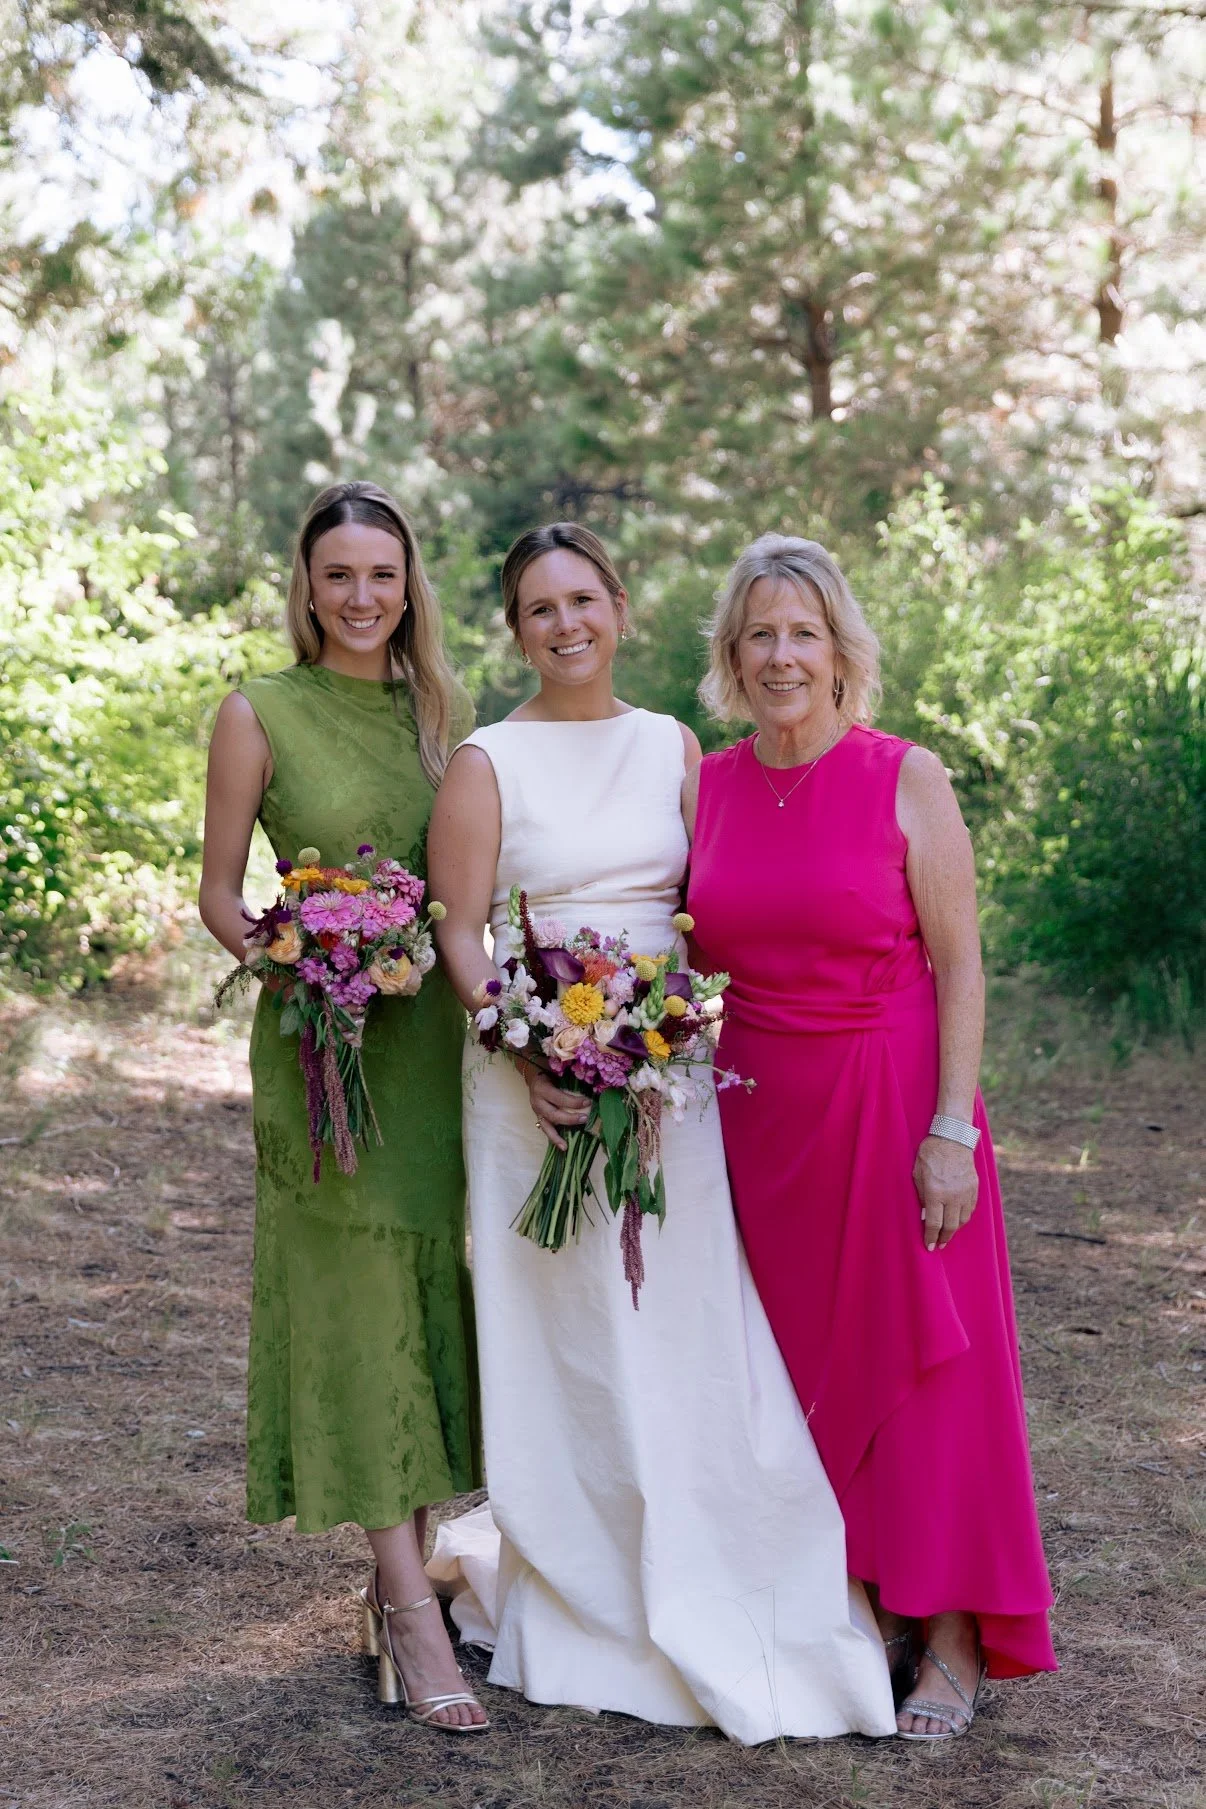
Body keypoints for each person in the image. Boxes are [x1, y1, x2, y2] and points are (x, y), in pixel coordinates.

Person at [424, 522, 896, 1745]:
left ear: (621, 608)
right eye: (538, 608)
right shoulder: (486, 762)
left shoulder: (675, 746)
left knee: (684, 1321)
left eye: (583, 598)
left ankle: (722, 1550)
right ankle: (585, 1577)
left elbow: (712, 902)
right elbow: (462, 935)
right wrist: (529, 1048)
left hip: (669, 1076)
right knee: (573, 1329)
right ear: (515, 628)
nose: (565, 624)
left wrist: (667, 1034)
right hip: (536, 1084)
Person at [685, 533, 1057, 1741]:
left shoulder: (908, 776)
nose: (782, 655)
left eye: (803, 633)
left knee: (933, 1380)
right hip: (759, 1129)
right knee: (798, 1383)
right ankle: (851, 1611)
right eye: (760, 635)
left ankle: (952, 1639)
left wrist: (952, 1128)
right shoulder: (712, 783)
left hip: (897, 1108)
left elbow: (961, 964)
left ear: (842, 648)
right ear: (732, 657)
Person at [198, 481, 486, 1732]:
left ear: (409, 584)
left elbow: (468, 883)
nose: (363, 597)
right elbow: (218, 893)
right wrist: (304, 966)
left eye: (384, 575)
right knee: (358, 1308)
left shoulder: (444, 716)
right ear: (306, 588)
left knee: (425, 1297)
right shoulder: (259, 712)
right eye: (339, 576)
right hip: (324, 1050)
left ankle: (401, 1583)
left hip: (431, 1048)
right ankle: (412, 1614)